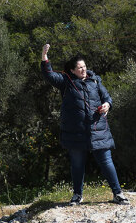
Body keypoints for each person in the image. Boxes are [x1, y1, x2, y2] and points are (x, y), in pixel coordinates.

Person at [41, 43, 129, 206]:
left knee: (106, 162)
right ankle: (77, 195)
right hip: (75, 132)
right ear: (72, 70)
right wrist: (45, 57)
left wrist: (107, 105)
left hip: (98, 129)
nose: (83, 70)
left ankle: (118, 194)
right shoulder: (66, 82)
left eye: (84, 66)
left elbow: (107, 97)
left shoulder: (95, 80)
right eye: (79, 68)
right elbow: (49, 75)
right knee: (77, 165)